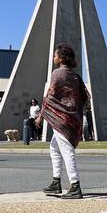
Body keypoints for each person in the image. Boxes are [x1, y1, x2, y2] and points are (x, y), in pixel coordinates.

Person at [38, 44, 89, 199]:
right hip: (72, 117)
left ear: (61, 58)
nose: (54, 58)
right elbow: (85, 96)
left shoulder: (57, 73)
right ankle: (56, 182)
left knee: (67, 151)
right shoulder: (75, 76)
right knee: (54, 148)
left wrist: (41, 116)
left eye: (55, 55)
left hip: (61, 119)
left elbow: (50, 95)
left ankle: (75, 185)